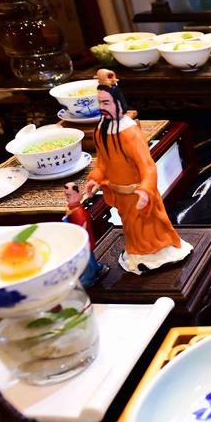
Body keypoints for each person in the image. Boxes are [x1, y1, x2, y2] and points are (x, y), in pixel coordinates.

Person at [84, 69, 191, 273]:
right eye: (99, 103)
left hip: (139, 192)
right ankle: (138, 254)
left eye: (106, 103)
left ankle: (158, 254)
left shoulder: (130, 132)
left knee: (150, 226)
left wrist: (144, 190)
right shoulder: (100, 130)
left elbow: (147, 165)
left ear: (118, 103)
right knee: (130, 227)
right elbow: (102, 163)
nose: (102, 108)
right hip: (121, 194)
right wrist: (95, 178)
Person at [63, 182, 107, 286]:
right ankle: (96, 268)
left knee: (86, 259)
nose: (67, 198)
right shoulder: (72, 209)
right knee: (89, 257)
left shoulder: (79, 212)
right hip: (81, 239)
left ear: (79, 195)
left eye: (69, 195)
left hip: (83, 240)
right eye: (66, 195)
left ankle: (90, 276)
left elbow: (83, 226)